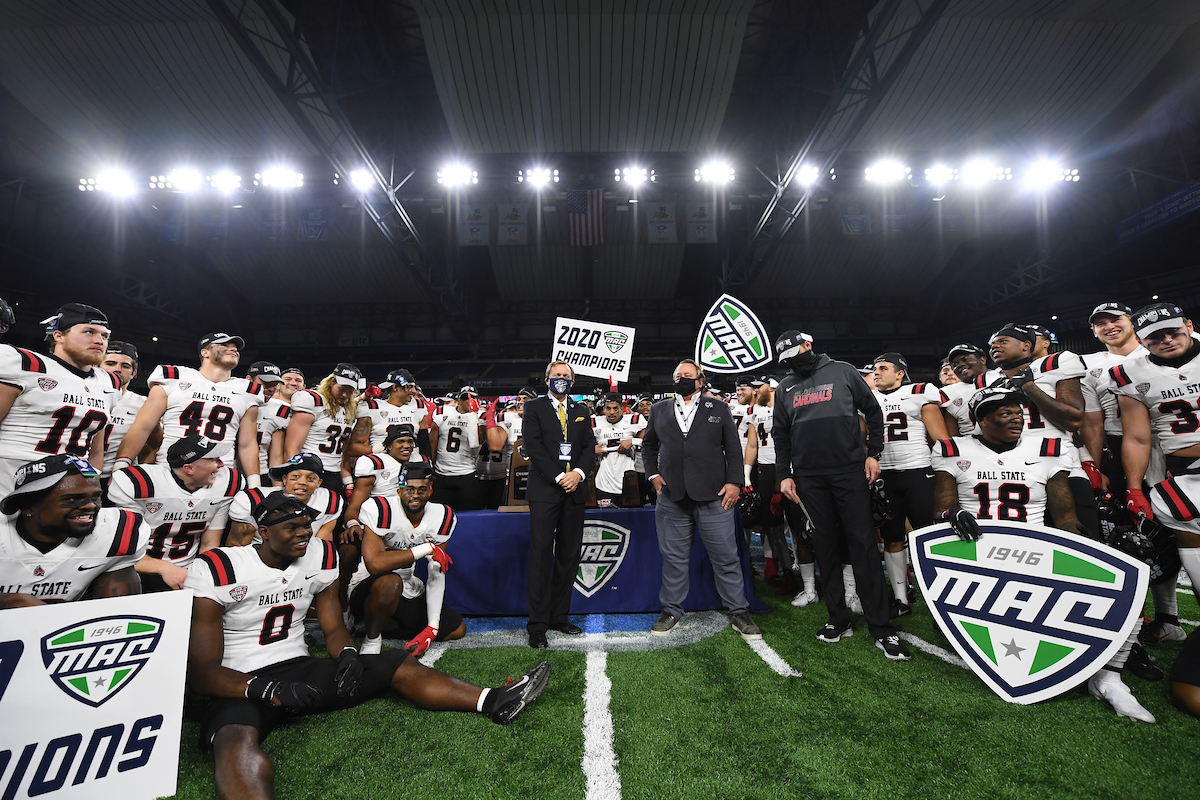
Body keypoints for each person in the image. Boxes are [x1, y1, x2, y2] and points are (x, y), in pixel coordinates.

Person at [184, 492, 551, 800]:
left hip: (300, 670)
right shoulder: (218, 567)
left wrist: (346, 654)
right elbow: (201, 672)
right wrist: (264, 689)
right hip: (241, 682)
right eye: (291, 527)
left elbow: (332, 627)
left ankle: (493, 700)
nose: (303, 534)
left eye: (306, 525)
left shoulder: (319, 554)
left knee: (397, 663)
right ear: (262, 532)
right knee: (235, 743)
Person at [932, 387, 1154, 723]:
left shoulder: (1048, 448)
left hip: (1032, 551)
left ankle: (1109, 677)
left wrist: (1095, 549)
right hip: (976, 555)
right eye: (1003, 412)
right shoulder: (952, 448)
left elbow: (1065, 517)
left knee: (1127, 581)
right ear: (981, 420)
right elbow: (944, 505)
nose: (1015, 416)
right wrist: (952, 516)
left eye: (1017, 411)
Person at [773, 330, 910, 661]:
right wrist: (784, 475)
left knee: (863, 546)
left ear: (808, 345)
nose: (792, 362)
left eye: (795, 353)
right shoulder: (785, 386)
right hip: (808, 478)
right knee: (826, 547)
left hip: (848, 472)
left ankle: (881, 627)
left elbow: (873, 413)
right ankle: (838, 619)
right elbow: (781, 434)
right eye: (786, 359)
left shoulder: (844, 371)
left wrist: (873, 452)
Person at [641, 359, 760, 640]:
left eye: (687, 375)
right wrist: (652, 475)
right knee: (673, 559)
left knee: (726, 557)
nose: (681, 378)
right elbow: (648, 445)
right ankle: (671, 610)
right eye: (677, 375)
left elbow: (733, 447)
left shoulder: (718, 407)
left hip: (714, 496)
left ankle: (738, 610)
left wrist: (735, 482)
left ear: (699, 380)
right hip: (672, 497)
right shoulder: (659, 409)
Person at [1110, 302, 1200, 644]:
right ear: (1143, 340)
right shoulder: (1129, 374)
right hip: (1184, 477)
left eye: (1173, 332)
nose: (1166, 340)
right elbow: (1137, 436)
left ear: (1188, 326)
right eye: (1155, 336)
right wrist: (1134, 489)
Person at [0, 303, 123, 495]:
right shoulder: (25, 365)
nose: (100, 340)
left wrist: (90, 484)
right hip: (9, 482)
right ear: (58, 336)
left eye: (105, 335)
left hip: (68, 492)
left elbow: (96, 449)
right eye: (89, 331)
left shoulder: (109, 382)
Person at [0, 454, 149, 607]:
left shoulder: (117, 530)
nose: (90, 506)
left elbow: (115, 615)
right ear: (27, 505)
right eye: (72, 499)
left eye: (96, 497)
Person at [117, 332, 263, 485]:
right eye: (225, 345)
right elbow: (143, 426)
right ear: (204, 352)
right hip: (171, 470)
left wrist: (254, 482)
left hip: (220, 474)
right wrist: (121, 465)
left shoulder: (247, 391)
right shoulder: (173, 377)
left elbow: (247, 443)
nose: (233, 349)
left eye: (235, 347)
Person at [352, 462, 466, 655]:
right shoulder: (380, 508)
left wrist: (432, 627)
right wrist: (426, 548)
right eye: (409, 489)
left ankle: (390, 624)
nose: (415, 495)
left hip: (406, 583)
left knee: (456, 630)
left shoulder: (443, 516)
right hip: (366, 582)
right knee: (389, 582)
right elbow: (375, 565)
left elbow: (436, 571)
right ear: (398, 491)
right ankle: (372, 640)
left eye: (422, 489)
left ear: (430, 491)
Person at [521, 361, 597, 648]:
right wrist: (558, 476)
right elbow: (533, 446)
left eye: (566, 376)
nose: (561, 379)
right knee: (541, 557)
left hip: (575, 491)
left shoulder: (580, 411)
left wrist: (577, 474)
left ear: (573, 382)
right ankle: (537, 625)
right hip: (545, 491)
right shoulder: (535, 408)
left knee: (569, 556)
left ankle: (559, 616)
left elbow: (588, 446)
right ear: (547, 380)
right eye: (557, 376)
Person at [107, 435, 243, 592]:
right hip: (137, 569)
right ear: (189, 468)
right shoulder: (140, 484)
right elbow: (122, 552)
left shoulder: (227, 483)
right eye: (213, 459)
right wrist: (164, 568)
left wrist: (199, 576)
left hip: (187, 570)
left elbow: (209, 544)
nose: (221, 464)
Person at [872, 352, 947, 617]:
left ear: (900, 373)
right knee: (892, 537)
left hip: (919, 472)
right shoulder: (868, 397)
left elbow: (940, 438)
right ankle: (901, 598)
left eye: (883, 368)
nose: (876, 372)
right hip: (885, 476)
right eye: (875, 368)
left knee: (929, 535)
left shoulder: (921, 391)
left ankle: (941, 596)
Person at [227, 454, 343, 546]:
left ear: (319, 483)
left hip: (303, 562)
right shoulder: (254, 500)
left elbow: (320, 548)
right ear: (284, 479)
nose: (302, 482)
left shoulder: (330, 501)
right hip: (258, 562)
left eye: (310, 478)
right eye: (295, 476)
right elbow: (236, 551)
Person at [285, 363, 363, 491]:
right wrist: (294, 476)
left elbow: (344, 452)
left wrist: (347, 482)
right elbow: (292, 446)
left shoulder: (349, 409)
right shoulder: (313, 401)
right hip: (309, 471)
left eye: (349, 392)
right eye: (342, 389)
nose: (344, 395)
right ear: (331, 382)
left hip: (335, 474)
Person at [100, 340, 160, 486]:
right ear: (97, 366)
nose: (117, 369)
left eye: (125, 366)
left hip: (117, 479)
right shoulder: (80, 393)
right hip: (77, 474)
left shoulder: (143, 404)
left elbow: (156, 445)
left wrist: (140, 473)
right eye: (110, 363)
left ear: (133, 373)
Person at [430, 385, 485, 511]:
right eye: (466, 398)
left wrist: (474, 416)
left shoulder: (480, 417)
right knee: (441, 517)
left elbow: (478, 441)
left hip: (466, 474)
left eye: (473, 398)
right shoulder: (441, 415)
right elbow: (432, 446)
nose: (469, 401)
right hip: (442, 474)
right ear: (459, 400)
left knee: (469, 517)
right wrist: (431, 469)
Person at [592, 393, 645, 506]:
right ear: (604, 409)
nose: (611, 412)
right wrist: (592, 450)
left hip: (629, 481)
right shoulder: (594, 421)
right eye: (608, 408)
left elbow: (651, 440)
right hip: (603, 482)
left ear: (621, 409)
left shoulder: (634, 419)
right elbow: (579, 443)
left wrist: (632, 441)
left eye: (615, 408)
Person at [246, 361, 289, 486]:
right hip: (227, 471)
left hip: (261, 473)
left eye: (274, 385)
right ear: (249, 379)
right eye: (265, 383)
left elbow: (276, 457)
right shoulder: (233, 401)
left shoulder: (281, 410)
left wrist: (277, 489)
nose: (270, 389)